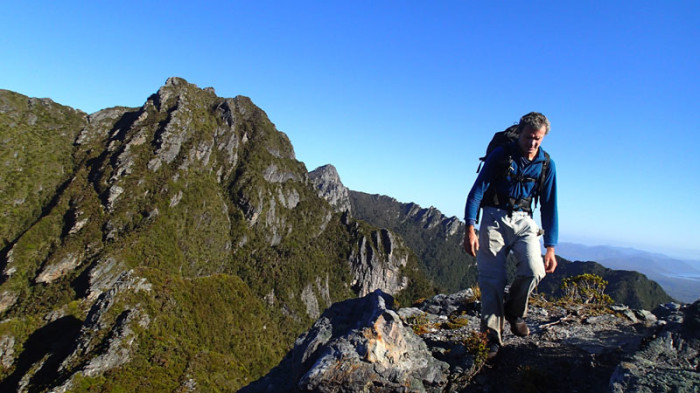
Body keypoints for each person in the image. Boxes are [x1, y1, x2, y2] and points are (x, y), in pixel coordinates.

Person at [463, 112, 558, 359]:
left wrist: (550, 247)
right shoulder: (501, 155)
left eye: (538, 139)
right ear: (521, 133)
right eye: (529, 137)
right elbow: (476, 192)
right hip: (493, 217)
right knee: (492, 278)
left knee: (535, 270)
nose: (533, 143)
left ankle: (515, 312)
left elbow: (549, 205)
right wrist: (470, 228)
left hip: (524, 220)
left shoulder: (547, 165)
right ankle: (491, 338)